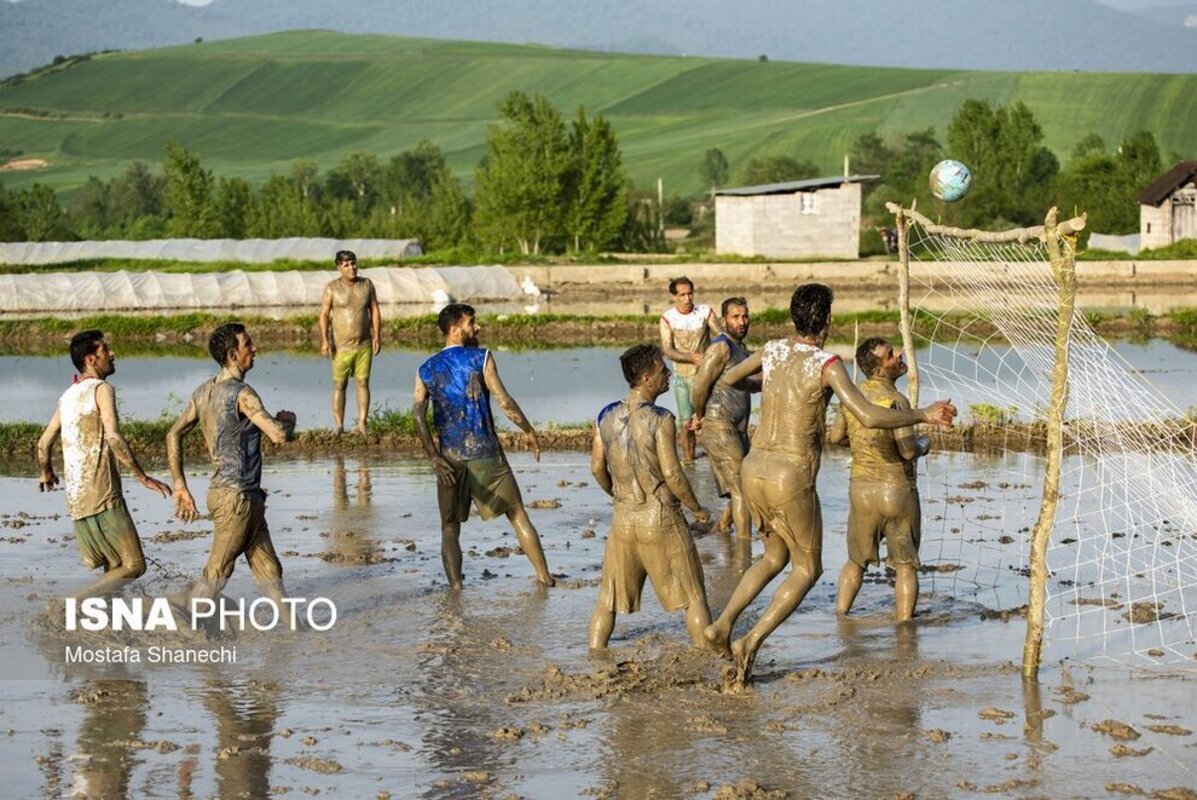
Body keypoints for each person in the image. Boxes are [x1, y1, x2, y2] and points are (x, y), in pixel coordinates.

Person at [703, 284, 957, 684]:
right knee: (807, 568)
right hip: (790, 472)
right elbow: (870, 416)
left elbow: (730, 377)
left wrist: (771, 385)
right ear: (827, 320)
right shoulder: (827, 364)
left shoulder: (772, 350)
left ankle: (721, 625)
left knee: (772, 558)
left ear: (793, 317)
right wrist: (922, 415)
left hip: (754, 467)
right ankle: (749, 642)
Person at [413, 303, 555, 589]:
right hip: (486, 452)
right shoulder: (482, 357)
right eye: (471, 323)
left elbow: (417, 415)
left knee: (450, 527)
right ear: (455, 329)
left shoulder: (426, 368)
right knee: (516, 513)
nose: (477, 327)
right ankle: (545, 577)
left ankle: (455, 588)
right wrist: (528, 429)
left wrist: (433, 457)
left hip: (449, 458)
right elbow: (504, 401)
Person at [589, 344, 714, 650]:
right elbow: (672, 474)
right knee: (693, 596)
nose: (667, 374)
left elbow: (596, 467)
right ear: (647, 378)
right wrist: (697, 510)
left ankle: (595, 655)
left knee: (607, 600)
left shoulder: (605, 415)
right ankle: (708, 658)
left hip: (623, 520)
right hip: (659, 517)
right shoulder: (662, 418)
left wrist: (616, 495)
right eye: (662, 370)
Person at [167, 323, 297, 604]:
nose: (254, 349)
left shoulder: (203, 393)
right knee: (218, 573)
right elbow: (278, 435)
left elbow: (172, 433)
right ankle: (177, 624)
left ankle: (297, 632)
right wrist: (289, 420)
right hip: (235, 499)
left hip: (243, 497)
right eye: (248, 344)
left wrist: (180, 485)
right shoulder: (242, 393)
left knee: (270, 573)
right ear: (231, 355)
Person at [36, 330, 170, 597]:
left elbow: (43, 443)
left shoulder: (69, 395)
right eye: (105, 351)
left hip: (77, 500)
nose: (112, 354)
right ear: (90, 360)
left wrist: (46, 472)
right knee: (134, 565)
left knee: (114, 568)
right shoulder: (101, 389)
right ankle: (72, 603)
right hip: (103, 494)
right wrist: (143, 477)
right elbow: (114, 437)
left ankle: (107, 624)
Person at [829, 337, 929, 622]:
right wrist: (925, 443)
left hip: (861, 491)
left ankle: (840, 618)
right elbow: (908, 450)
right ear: (879, 370)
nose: (898, 355)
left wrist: (863, 445)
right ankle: (904, 630)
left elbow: (836, 437)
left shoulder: (853, 396)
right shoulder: (897, 401)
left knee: (855, 561)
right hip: (896, 491)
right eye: (890, 355)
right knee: (906, 566)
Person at [690, 297, 758, 540]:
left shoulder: (740, 349)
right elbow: (699, 387)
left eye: (745, 316)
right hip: (719, 424)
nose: (742, 321)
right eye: (736, 317)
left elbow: (747, 384)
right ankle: (745, 544)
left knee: (741, 484)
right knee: (741, 488)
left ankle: (722, 527)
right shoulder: (720, 347)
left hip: (737, 428)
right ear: (723, 320)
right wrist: (698, 416)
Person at [659, 276, 722, 463]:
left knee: (709, 421)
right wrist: (691, 357)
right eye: (682, 295)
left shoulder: (704, 312)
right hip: (681, 377)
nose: (687, 299)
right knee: (686, 423)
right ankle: (689, 462)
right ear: (674, 296)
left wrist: (711, 357)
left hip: (705, 376)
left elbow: (721, 336)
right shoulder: (667, 318)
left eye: (690, 294)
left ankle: (719, 461)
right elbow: (668, 350)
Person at [319, 249, 381, 435]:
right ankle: (339, 426)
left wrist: (377, 335)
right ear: (339, 267)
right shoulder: (332, 288)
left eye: (353, 263)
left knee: (363, 382)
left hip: (363, 344)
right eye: (346, 265)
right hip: (341, 346)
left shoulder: (367, 285)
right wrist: (324, 340)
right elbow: (323, 314)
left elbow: (375, 310)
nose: (351, 267)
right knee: (340, 385)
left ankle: (362, 423)